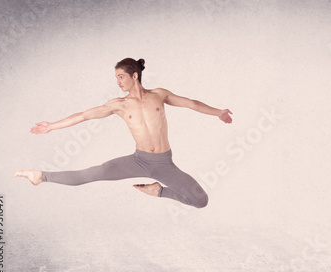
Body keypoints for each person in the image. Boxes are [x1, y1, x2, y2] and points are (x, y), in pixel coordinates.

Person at [14, 58, 233, 208]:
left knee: (200, 200)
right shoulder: (118, 105)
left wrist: (218, 112)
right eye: (116, 77)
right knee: (92, 173)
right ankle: (41, 176)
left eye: (120, 77)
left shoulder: (159, 95)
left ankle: (157, 192)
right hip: (138, 160)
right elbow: (83, 115)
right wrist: (51, 126)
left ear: (134, 76)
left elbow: (192, 103)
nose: (117, 82)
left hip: (165, 164)